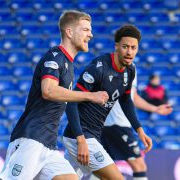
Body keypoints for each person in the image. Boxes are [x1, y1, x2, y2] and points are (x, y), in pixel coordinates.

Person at [0, 10, 109, 180]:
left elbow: (67, 101)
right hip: (32, 138)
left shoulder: (69, 65)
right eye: (86, 29)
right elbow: (48, 91)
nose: (91, 35)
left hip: (48, 145)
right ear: (69, 32)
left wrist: (80, 138)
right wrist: (90, 96)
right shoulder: (55, 56)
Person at [62, 25, 155, 180]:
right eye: (125, 47)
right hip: (81, 135)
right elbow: (71, 101)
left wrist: (139, 130)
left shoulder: (130, 70)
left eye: (133, 47)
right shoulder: (98, 68)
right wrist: (81, 139)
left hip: (94, 133)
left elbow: (126, 100)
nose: (129, 52)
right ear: (116, 46)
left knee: (65, 177)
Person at [101, 73, 173, 180]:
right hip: (118, 123)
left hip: (107, 123)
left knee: (102, 167)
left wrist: (155, 109)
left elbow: (132, 97)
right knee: (139, 166)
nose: (130, 55)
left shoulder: (128, 69)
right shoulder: (119, 67)